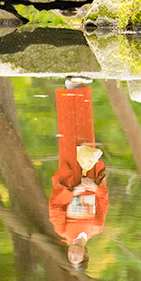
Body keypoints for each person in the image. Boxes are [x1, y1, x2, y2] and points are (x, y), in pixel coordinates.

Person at [48, 83, 109, 271]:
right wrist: (93, 186)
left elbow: (55, 207)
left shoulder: (63, 231)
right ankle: (80, 87)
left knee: (68, 136)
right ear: (86, 255)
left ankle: (69, 88)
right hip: (89, 176)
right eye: (77, 257)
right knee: (85, 134)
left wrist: (75, 190)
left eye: (70, 257)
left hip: (71, 180)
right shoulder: (96, 227)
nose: (72, 253)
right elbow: (103, 201)